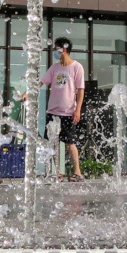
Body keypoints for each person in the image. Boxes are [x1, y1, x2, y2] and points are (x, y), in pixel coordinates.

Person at [40, 37, 86, 181]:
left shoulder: (77, 67)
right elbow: (42, 81)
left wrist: (78, 110)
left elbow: (80, 90)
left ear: (63, 49)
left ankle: (77, 172)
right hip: (52, 112)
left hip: (68, 112)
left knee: (69, 143)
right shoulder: (54, 68)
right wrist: (27, 93)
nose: (55, 51)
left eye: (56, 48)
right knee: (52, 143)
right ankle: (57, 172)